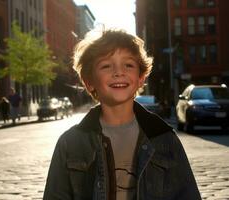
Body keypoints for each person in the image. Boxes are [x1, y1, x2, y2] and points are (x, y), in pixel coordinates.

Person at [43, 29, 201, 199]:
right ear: (89, 82)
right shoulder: (70, 143)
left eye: (128, 65)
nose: (119, 72)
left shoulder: (164, 138)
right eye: (106, 66)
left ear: (141, 78)